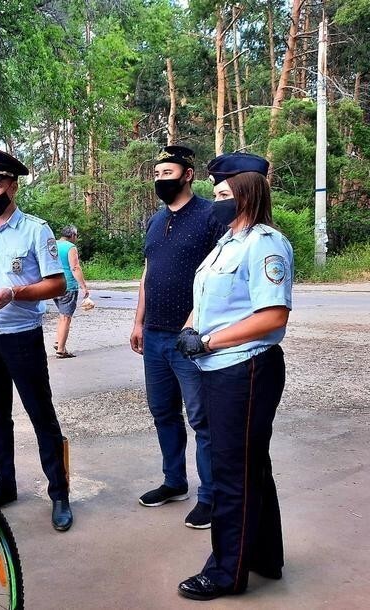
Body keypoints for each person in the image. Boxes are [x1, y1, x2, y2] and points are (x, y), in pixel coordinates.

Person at [176, 153, 293, 601]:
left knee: (231, 473)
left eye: (224, 194)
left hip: (245, 369)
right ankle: (263, 556)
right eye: (215, 194)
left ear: (247, 193)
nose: (216, 202)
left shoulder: (265, 243)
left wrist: (208, 342)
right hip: (221, 368)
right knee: (250, 465)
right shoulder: (226, 242)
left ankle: (226, 572)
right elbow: (206, 303)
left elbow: (272, 315)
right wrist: (190, 329)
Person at [0, 148, 73, 532]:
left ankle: (59, 492)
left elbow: (57, 283)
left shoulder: (36, 230)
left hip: (22, 336)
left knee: (41, 413)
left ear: (13, 186)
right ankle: (5, 484)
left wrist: (13, 294)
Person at [130, 145, 225, 529]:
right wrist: (138, 321)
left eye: (167, 173)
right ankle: (174, 482)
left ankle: (210, 496)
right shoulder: (155, 221)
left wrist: (192, 323)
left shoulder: (209, 215)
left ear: (187, 174)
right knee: (163, 413)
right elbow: (147, 274)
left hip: (190, 338)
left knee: (202, 419)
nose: (160, 180)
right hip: (154, 335)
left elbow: (219, 274)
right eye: (156, 174)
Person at [52, 225, 90, 358]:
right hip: (68, 285)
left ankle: (58, 341)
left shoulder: (53, 244)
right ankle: (61, 350)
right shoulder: (70, 247)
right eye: (76, 235)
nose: (77, 238)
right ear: (72, 235)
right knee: (66, 318)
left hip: (54, 285)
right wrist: (84, 286)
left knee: (62, 315)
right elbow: (75, 267)